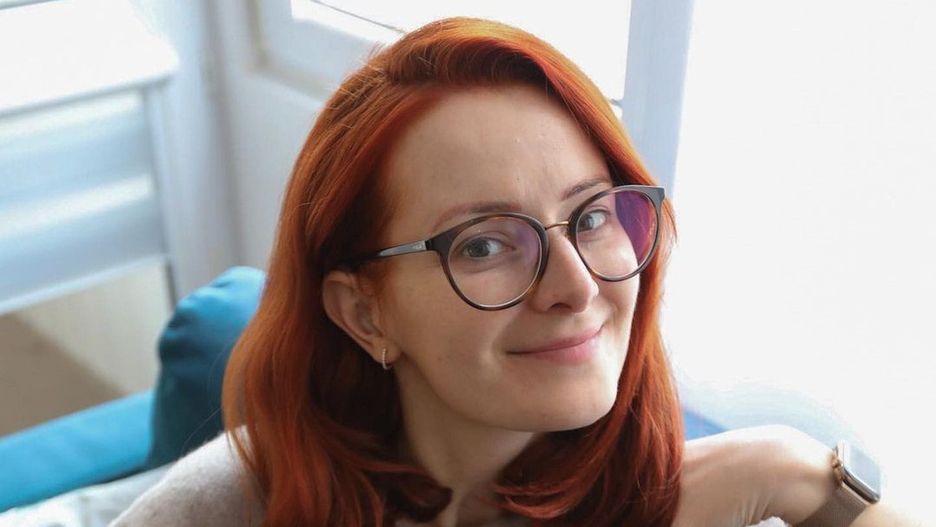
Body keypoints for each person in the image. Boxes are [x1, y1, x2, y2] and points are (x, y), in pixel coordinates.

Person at [112, 16, 919, 527]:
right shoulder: (234, 504)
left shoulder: (701, 493)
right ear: (365, 313)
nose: (577, 286)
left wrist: (796, 474)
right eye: (485, 245)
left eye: (593, 217)